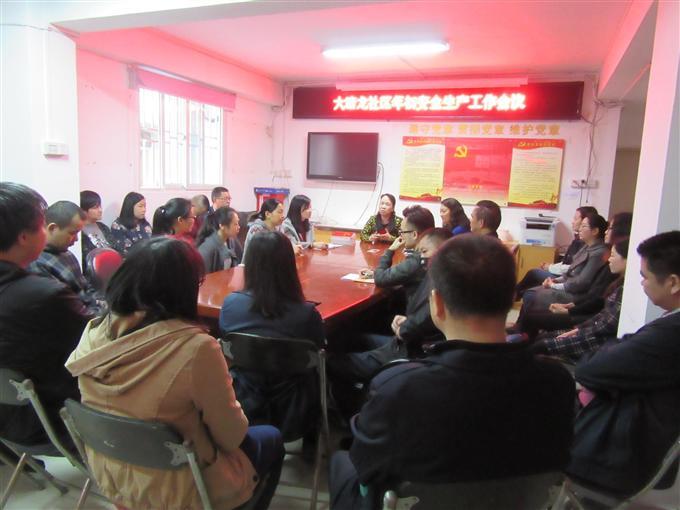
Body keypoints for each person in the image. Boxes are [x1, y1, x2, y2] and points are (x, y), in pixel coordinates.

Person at [329, 234, 575, 509]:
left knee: (341, 462)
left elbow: (366, 466)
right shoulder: (557, 382)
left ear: (436, 304)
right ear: (511, 299)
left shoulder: (401, 388)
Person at [65, 237, 284, 510]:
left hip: (114, 475)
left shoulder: (94, 332)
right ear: (185, 288)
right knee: (270, 437)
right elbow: (231, 437)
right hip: (180, 487)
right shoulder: (195, 348)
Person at [568, 231, 680, 497]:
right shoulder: (668, 325)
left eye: (644, 276)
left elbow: (589, 369)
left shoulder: (670, 333)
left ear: (673, 282)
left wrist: (611, 349)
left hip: (617, 453)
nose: (641, 283)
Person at [0, 183, 90, 447]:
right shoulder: (44, 295)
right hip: (50, 421)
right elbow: (95, 344)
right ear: (23, 237)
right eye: (41, 225)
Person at [219, 231, 325, 447]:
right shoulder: (306, 314)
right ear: (289, 265)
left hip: (244, 399)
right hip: (295, 407)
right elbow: (319, 349)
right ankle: (312, 446)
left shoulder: (230, 305)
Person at [530, 238, 629, 362]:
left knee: (534, 302)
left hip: (597, 337)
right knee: (540, 336)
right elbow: (601, 314)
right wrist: (578, 327)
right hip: (589, 323)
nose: (609, 259)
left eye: (613, 256)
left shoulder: (623, 288)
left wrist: (573, 316)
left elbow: (603, 320)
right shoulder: (616, 282)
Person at [522, 212, 608, 312]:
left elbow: (581, 283)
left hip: (576, 295)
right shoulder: (587, 246)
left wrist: (553, 285)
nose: (579, 229)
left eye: (583, 226)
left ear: (595, 231)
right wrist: (555, 280)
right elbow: (570, 271)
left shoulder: (598, 253)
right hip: (569, 286)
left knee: (530, 294)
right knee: (530, 292)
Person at [27, 200, 102, 315]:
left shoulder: (67, 254)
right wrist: (99, 317)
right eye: (73, 233)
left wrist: (102, 306)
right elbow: (66, 310)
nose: (76, 239)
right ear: (53, 228)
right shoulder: (37, 263)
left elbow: (86, 288)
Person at [515, 206, 597, 298]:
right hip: (564, 276)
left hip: (567, 279)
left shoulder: (585, 244)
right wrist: (551, 266)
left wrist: (550, 268)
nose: (572, 221)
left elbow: (571, 268)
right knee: (533, 282)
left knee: (533, 274)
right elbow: (566, 263)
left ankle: (515, 294)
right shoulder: (578, 240)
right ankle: (518, 294)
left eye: (575, 218)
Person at [373, 205, 435, 303]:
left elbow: (380, 279)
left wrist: (390, 250)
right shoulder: (435, 253)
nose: (401, 236)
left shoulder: (416, 261)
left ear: (414, 234)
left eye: (402, 232)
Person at [197, 206, 241, 273]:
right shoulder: (207, 248)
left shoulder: (231, 241)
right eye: (235, 224)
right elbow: (204, 276)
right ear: (222, 226)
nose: (239, 227)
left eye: (238, 223)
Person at [79, 190, 115, 271]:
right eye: (95, 208)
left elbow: (116, 248)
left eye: (100, 206)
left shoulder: (103, 227)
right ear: (83, 211)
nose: (100, 210)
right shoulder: (79, 232)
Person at [110, 191, 152, 256]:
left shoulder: (144, 224)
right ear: (130, 207)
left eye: (145, 206)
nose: (144, 210)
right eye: (140, 206)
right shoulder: (118, 226)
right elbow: (123, 251)